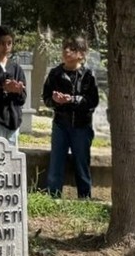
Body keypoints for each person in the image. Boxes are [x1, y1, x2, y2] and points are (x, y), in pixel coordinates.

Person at [41, 36, 99, 199]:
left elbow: (92, 101)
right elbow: (46, 98)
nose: (66, 51)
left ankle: (84, 197)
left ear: (82, 54)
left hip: (82, 126)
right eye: (65, 48)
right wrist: (55, 101)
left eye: (72, 49)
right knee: (56, 162)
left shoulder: (88, 75)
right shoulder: (55, 73)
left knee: (82, 163)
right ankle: (53, 197)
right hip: (60, 124)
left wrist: (72, 100)